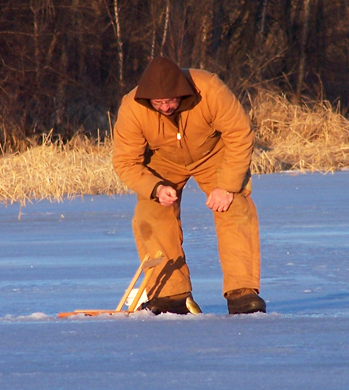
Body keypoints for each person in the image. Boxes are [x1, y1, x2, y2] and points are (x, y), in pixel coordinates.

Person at [112, 56, 266, 315]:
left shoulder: (209, 89)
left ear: (183, 92)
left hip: (214, 155)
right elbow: (125, 161)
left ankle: (242, 292)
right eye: (158, 103)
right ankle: (170, 294)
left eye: (171, 100)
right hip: (163, 160)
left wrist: (227, 186)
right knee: (150, 213)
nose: (165, 107)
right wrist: (155, 187)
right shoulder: (132, 106)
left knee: (235, 206)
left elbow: (240, 134)